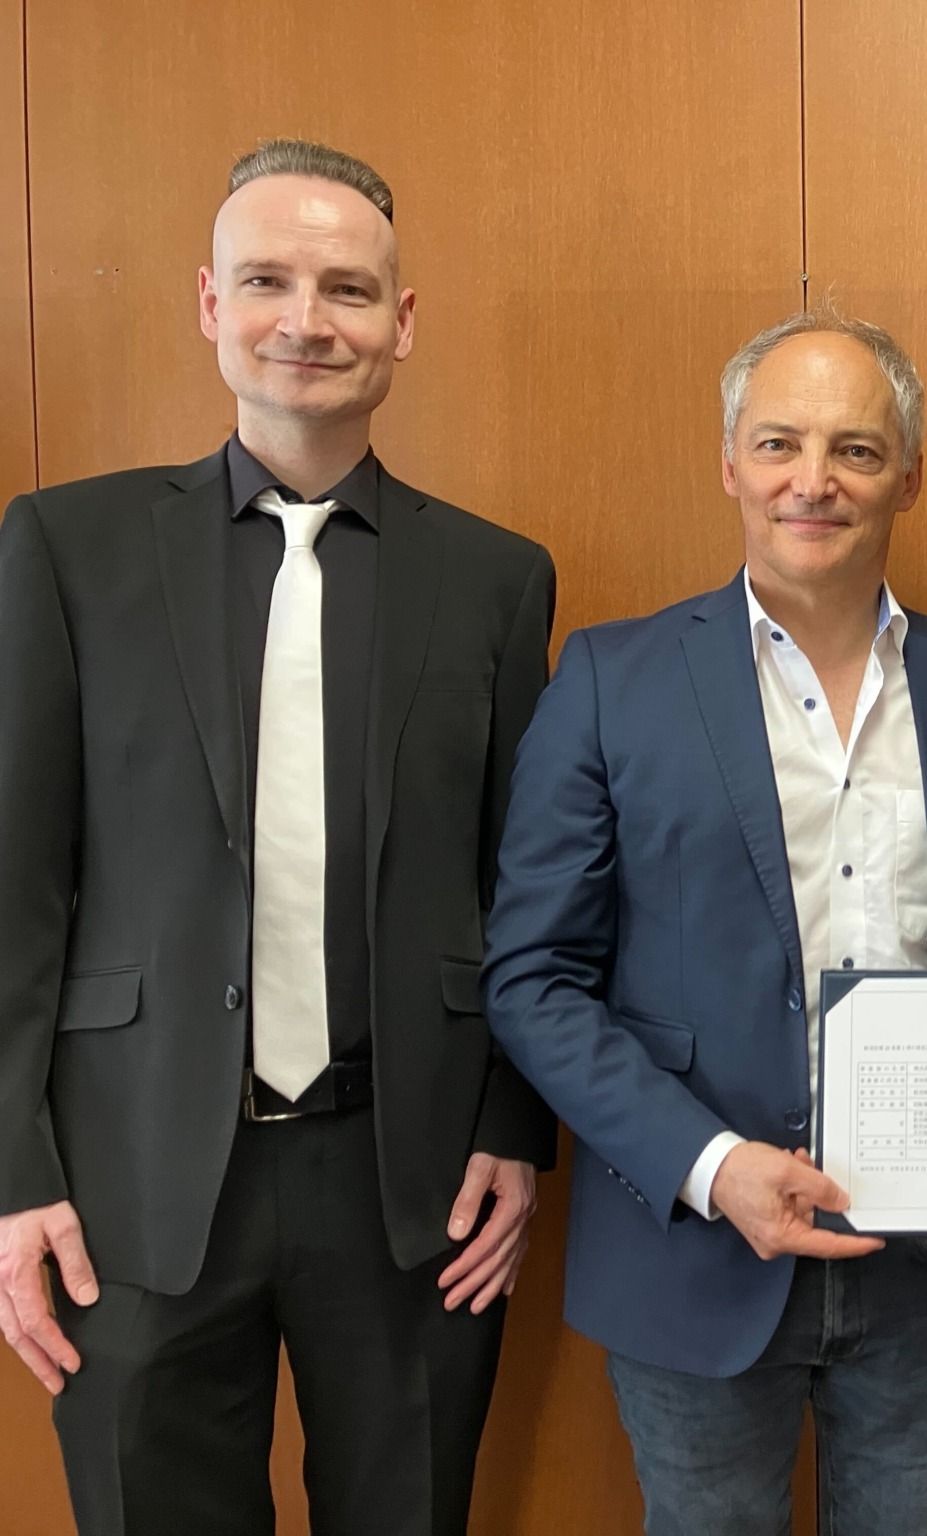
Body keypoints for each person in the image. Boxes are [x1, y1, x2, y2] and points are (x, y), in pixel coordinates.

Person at [0, 140, 556, 1535]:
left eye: (347, 288)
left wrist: (513, 1124)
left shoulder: (496, 579)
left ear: (402, 322)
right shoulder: (68, 549)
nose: (306, 319)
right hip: (131, 1187)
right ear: (207, 303)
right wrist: (12, 1178)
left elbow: (526, 885)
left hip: (414, 1178)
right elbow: (16, 886)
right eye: (267, 280)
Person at [482, 308, 927, 1536]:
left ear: (908, 475)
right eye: (778, 445)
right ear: (729, 465)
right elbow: (533, 978)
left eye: (856, 450)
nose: (814, 480)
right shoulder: (608, 681)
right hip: (692, 1250)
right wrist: (713, 1170)